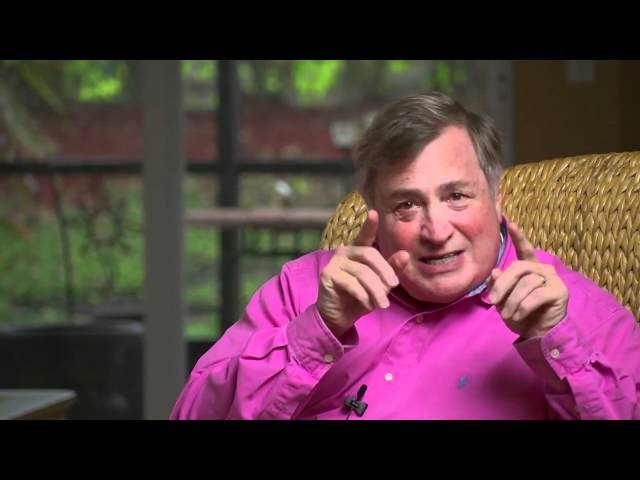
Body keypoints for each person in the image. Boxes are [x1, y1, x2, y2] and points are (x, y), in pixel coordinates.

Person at [171, 92, 640, 420]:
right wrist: (316, 331)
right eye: (407, 205)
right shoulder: (303, 287)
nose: (436, 231)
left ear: (497, 199)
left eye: (457, 196)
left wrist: (556, 343)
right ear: (373, 211)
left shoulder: (574, 312)